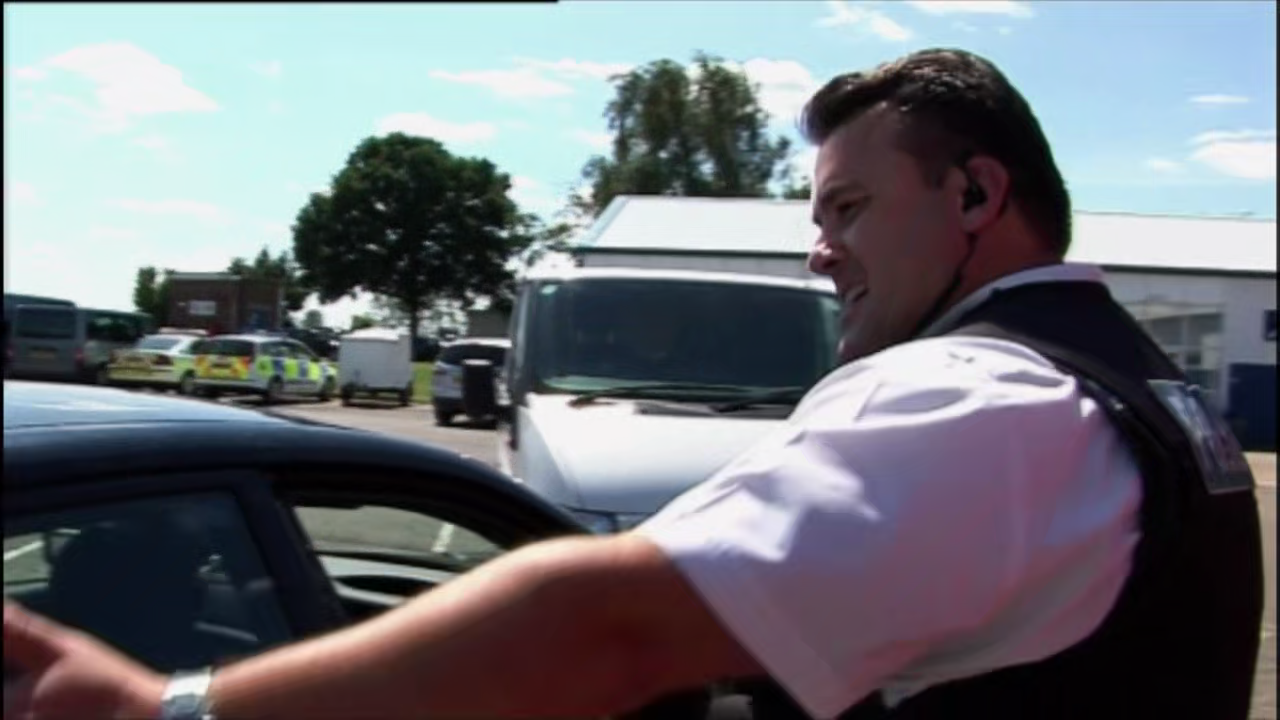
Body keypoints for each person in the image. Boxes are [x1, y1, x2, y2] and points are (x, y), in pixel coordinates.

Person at [3, 48, 1264, 720]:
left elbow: (606, 631)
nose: (818, 249)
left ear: (975, 194)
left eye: (847, 207)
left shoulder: (974, 399)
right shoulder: (1143, 392)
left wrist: (164, 706)